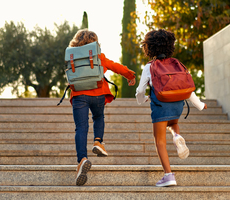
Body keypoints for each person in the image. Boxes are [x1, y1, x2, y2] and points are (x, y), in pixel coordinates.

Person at [135, 29, 207, 187]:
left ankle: (168, 176)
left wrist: (142, 99)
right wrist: (200, 105)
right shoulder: (177, 63)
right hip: (177, 104)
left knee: (159, 141)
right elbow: (187, 88)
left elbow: (140, 90)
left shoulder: (150, 66)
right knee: (173, 124)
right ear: (170, 46)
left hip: (161, 105)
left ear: (149, 48)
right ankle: (176, 136)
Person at [68, 29, 136, 186]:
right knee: (98, 117)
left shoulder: (72, 56)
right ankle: (98, 142)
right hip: (98, 94)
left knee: (81, 128)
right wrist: (129, 75)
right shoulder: (99, 57)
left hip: (79, 95)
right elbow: (114, 66)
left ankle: (82, 160)